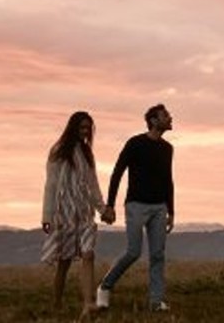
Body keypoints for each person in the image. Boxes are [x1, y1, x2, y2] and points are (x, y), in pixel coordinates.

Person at [96, 104, 175, 312]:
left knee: (158, 255)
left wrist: (171, 211)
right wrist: (110, 204)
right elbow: (117, 172)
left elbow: (168, 180)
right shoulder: (135, 143)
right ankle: (104, 287)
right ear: (154, 121)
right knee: (133, 252)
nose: (170, 118)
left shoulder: (168, 149)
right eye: (165, 115)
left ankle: (156, 302)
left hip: (159, 207)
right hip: (136, 205)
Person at [41, 111, 114, 318]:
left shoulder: (87, 153)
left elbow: (92, 184)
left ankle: (88, 304)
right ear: (73, 127)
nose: (85, 132)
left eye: (88, 129)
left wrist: (102, 209)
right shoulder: (58, 151)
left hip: (84, 213)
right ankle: (56, 303)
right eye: (82, 128)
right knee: (64, 262)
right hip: (64, 214)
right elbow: (51, 185)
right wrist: (47, 215)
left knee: (88, 254)